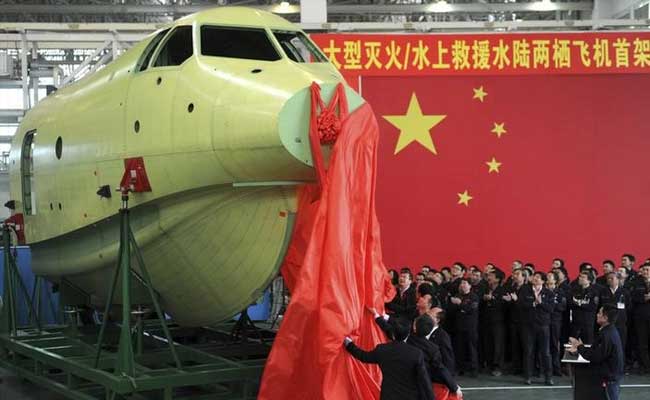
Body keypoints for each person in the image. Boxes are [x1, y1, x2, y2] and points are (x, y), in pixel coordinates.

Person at [344, 317, 435, 400]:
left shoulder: (382, 350)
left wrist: (349, 344)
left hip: (388, 396)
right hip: (410, 396)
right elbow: (424, 381)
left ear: (393, 334)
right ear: (408, 335)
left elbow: (363, 356)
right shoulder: (416, 354)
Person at [568, 305, 624, 400]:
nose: (597, 315)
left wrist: (579, 346)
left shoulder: (606, 335)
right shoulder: (609, 330)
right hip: (611, 375)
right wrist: (580, 348)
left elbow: (595, 356)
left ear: (605, 318)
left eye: (599, 313)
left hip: (609, 379)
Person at [520, 272, 554, 385]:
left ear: (543, 281)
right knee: (528, 351)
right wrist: (534, 303)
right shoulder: (525, 290)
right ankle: (528, 376)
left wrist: (541, 303)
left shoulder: (548, 293)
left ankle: (548, 377)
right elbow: (521, 304)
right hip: (528, 325)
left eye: (538, 277)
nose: (535, 278)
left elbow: (551, 309)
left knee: (546, 352)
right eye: (534, 277)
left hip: (543, 326)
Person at [449, 279, 479, 377]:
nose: (462, 285)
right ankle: (460, 368)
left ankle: (474, 369)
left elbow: (471, 309)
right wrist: (461, 307)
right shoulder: (457, 295)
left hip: (470, 327)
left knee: (472, 348)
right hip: (458, 326)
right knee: (459, 348)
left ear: (470, 286)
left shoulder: (474, 296)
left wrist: (460, 304)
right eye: (461, 283)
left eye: (465, 283)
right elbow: (452, 310)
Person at [482, 269, 507, 376]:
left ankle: (498, 367)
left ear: (497, 279)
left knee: (498, 345)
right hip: (487, 320)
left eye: (491, 276)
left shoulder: (503, 290)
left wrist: (492, 298)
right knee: (488, 343)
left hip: (498, 321)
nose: (488, 277)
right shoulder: (486, 288)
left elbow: (504, 304)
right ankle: (489, 365)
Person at [569, 270, 599, 344]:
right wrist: (581, 304)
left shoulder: (594, 292)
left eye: (583, 277)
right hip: (575, 322)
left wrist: (579, 304)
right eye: (580, 277)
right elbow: (571, 303)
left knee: (587, 344)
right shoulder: (575, 290)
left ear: (589, 280)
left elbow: (592, 306)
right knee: (573, 344)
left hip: (587, 322)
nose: (580, 278)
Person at [546, 271, 566, 377]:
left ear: (555, 281)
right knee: (544, 346)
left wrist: (550, 305)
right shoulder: (542, 291)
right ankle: (544, 368)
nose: (547, 278)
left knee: (554, 345)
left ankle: (556, 368)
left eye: (550, 277)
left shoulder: (560, 292)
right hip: (544, 321)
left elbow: (562, 307)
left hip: (555, 321)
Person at [631, 263, 650, 373]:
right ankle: (645, 366)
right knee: (642, 343)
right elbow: (632, 297)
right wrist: (644, 298)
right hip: (640, 317)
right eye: (644, 270)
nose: (645, 272)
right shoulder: (636, 282)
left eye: (648, 270)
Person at [427, 307, 456, 374]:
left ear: (437, 320)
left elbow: (447, 358)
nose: (427, 316)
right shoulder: (421, 330)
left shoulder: (442, 336)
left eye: (430, 315)